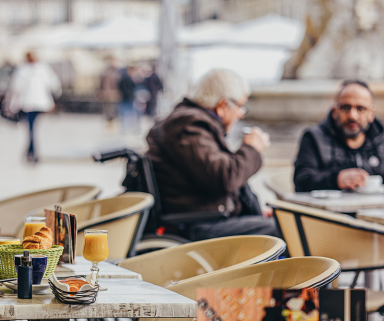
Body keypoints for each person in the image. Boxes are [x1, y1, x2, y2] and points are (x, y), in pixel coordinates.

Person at [146, 68, 278, 240]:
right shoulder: (190, 126)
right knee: (284, 230)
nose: (241, 114)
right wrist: (251, 148)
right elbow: (225, 177)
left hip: (206, 215)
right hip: (197, 223)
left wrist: (255, 214)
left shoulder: (194, 123)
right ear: (222, 106)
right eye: (240, 106)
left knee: (283, 224)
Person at [294, 80, 384, 192]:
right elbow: (301, 181)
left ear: (371, 113)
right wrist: (336, 179)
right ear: (335, 111)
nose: (352, 116)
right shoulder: (313, 138)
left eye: (360, 109)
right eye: (346, 107)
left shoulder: (383, 144)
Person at [5, 52, 61, 163]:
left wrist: (12, 104)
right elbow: (54, 84)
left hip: (31, 103)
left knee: (31, 126)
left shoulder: (24, 69)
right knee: (32, 126)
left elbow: (16, 87)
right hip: (36, 103)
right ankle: (32, 150)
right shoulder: (42, 68)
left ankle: (31, 150)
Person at [99, 57, 121, 130]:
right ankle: (109, 123)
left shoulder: (117, 72)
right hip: (107, 94)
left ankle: (111, 123)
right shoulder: (106, 72)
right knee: (108, 110)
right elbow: (102, 84)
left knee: (112, 109)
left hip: (113, 94)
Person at [118, 65, 140, 133]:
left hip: (126, 97)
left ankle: (126, 127)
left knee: (125, 112)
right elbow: (132, 87)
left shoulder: (125, 77)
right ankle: (129, 126)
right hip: (128, 97)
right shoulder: (127, 78)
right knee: (130, 112)